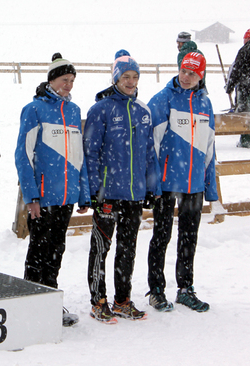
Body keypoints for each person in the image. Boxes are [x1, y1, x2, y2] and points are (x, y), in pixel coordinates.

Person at [83, 50, 160, 323]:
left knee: (128, 248)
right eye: (126, 76)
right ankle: (98, 300)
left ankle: (122, 300)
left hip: (134, 194)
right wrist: (93, 189)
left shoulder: (143, 112)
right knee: (101, 248)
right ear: (116, 78)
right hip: (108, 193)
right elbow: (90, 153)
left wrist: (152, 187)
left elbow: (149, 153)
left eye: (135, 76)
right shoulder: (100, 110)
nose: (131, 81)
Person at [14, 53, 90, 327]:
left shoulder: (74, 111)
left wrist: (83, 192)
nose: (68, 85)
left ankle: (50, 305)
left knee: (56, 251)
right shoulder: (34, 109)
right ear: (51, 80)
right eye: (63, 80)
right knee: (38, 251)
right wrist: (31, 196)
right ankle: (30, 305)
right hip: (43, 197)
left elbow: (78, 156)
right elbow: (23, 155)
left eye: (71, 80)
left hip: (66, 197)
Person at [146, 52, 217, 313]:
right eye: (184, 71)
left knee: (189, 238)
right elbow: (149, 145)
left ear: (201, 76)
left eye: (193, 73)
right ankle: (156, 290)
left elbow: (209, 148)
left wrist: (210, 187)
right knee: (161, 237)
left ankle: (185, 289)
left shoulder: (205, 104)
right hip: (166, 183)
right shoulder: (163, 100)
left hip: (194, 184)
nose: (187, 77)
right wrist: (152, 183)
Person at [225, 29, 250, 148]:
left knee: (249, 116)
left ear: (246, 40)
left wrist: (230, 86)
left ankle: (245, 143)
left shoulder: (245, 50)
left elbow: (236, 69)